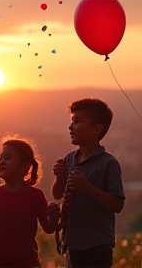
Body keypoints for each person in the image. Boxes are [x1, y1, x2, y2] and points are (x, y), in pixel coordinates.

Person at [0, 135, 60, 268]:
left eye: (7, 158)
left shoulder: (36, 196)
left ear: (24, 166)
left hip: (29, 264)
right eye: (0, 158)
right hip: (0, 264)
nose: (2, 161)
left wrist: (54, 216)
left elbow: (49, 228)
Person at [52, 98, 125, 268]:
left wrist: (87, 187)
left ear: (96, 129)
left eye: (77, 121)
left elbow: (117, 204)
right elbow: (58, 195)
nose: (71, 127)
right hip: (71, 243)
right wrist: (59, 177)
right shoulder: (69, 159)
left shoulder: (108, 163)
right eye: (71, 121)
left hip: (97, 246)